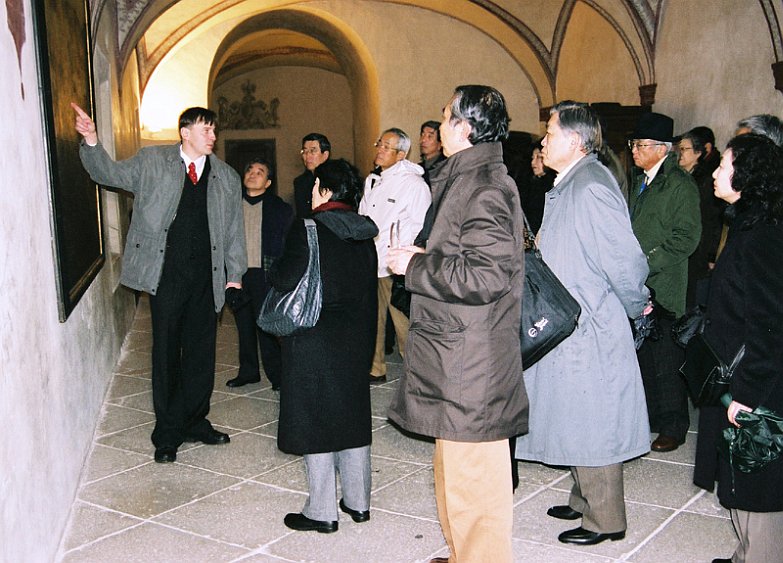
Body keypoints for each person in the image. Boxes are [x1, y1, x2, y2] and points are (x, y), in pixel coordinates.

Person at [387, 85, 528, 563]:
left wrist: (415, 266)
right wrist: (427, 256)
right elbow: (466, 257)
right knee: (454, 471)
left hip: (473, 359)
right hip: (456, 349)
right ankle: (460, 554)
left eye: (446, 117)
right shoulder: (466, 177)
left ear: (465, 128)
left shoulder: (486, 186)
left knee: (476, 481)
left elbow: (486, 276)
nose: (439, 125)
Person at [72, 103, 246, 463]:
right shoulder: (152, 161)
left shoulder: (226, 177)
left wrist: (235, 276)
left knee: (201, 354)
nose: (213, 136)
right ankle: (167, 431)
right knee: (166, 352)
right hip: (165, 275)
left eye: (214, 130)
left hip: (206, 278)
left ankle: (196, 421)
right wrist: (91, 140)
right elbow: (109, 174)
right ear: (185, 132)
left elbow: (233, 233)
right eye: (206, 130)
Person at [514, 101, 651, 546]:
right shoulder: (571, 182)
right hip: (571, 320)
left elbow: (624, 260)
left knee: (594, 419)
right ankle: (582, 498)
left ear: (574, 141)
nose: (543, 140)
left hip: (590, 322)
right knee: (576, 412)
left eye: (550, 133)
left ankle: (606, 519)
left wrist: (637, 306)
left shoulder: (590, 185)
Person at [272, 159, 378, 533]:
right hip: (354, 337)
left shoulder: (308, 229)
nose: (312, 193)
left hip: (314, 336)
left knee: (315, 418)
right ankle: (358, 501)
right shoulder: (365, 231)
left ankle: (321, 511)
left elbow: (287, 278)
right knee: (351, 415)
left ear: (327, 191)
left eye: (316, 187)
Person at [692, 134, 783, 563]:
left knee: (757, 481)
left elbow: (769, 327)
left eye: (724, 166)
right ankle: (745, 553)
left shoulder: (762, 235)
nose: (714, 172)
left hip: (754, 383)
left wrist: (747, 396)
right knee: (738, 473)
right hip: (738, 374)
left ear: (748, 177)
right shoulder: (748, 223)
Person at [628, 112, 701, 453]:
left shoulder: (679, 185)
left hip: (665, 282)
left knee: (667, 359)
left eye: (640, 145)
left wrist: (647, 260)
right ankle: (654, 417)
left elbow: (686, 237)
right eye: (633, 144)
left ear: (662, 148)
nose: (634, 150)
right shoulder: (640, 180)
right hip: (639, 281)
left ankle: (674, 424)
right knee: (645, 356)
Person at [359, 128, 431, 384]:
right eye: (380, 143)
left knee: (402, 322)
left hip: (395, 265)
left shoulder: (414, 185)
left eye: (387, 146)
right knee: (372, 319)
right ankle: (375, 368)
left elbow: (422, 226)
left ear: (401, 154)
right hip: (371, 261)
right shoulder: (372, 180)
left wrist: (405, 255)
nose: (380, 149)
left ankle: (417, 374)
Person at [226, 157, 293, 389]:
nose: (253, 174)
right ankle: (248, 372)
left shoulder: (280, 208)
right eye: (250, 170)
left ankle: (277, 375)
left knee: (267, 327)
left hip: (265, 274)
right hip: (238, 275)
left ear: (268, 182)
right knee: (243, 326)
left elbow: (288, 245)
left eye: (260, 172)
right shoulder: (231, 205)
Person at [677, 127, 724, 307]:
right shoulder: (685, 176)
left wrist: (711, 256)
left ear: (698, 153)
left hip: (700, 247)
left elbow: (712, 220)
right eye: (679, 149)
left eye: (684, 149)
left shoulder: (703, 182)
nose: (679, 154)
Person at [293, 133, 330, 219]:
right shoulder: (300, 182)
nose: (308, 156)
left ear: (325, 155)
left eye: (313, 151)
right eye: (304, 151)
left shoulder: (335, 179)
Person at [418, 120, 446, 184]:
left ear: (440, 143)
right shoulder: (417, 168)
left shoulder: (445, 169)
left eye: (429, 136)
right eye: (422, 135)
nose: (423, 140)